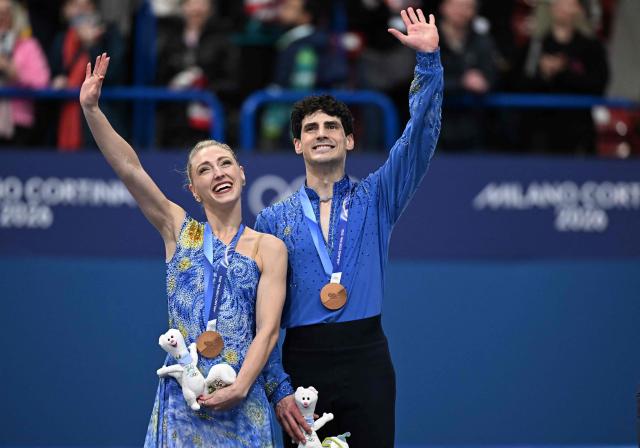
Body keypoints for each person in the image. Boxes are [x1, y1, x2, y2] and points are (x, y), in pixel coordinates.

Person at [79, 53, 291, 447]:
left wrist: (242, 387)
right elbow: (130, 168)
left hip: (243, 401)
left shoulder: (269, 247)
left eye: (225, 163)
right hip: (183, 402)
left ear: (242, 173)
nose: (219, 173)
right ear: (193, 190)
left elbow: (269, 330)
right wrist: (92, 110)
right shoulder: (179, 230)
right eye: (205, 170)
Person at [256, 7, 442, 447]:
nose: (322, 133)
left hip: (366, 358)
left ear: (350, 139)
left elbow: (419, 138)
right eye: (311, 128)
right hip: (302, 360)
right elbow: (256, 318)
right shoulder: (272, 220)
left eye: (333, 127)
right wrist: (278, 386)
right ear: (297, 143)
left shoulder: (376, 196)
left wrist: (429, 63)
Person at [516, 0, 608, 154]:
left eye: (568, 4)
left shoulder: (591, 47)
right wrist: (544, 73)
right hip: (540, 131)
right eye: (558, 3)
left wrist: (564, 72)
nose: (562, 8)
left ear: (577, 9)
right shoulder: (536, 45)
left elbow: (599, 85)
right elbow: (518, 84)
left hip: (578, 131)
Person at [155, 0, 240, 148]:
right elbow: (159, 77)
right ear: (183, 7)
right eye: (191, 3)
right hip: (175, 121)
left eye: (202, 3)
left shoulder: (222, 39)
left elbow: (233, 81)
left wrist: (203, 87)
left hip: (210, 121)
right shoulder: (170, 39)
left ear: (211, 8)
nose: (196, 8)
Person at [50, 0, 125, 151]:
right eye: (76, 6)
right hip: (65, 117)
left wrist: (91, 45)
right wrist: (59, 79)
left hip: (101, 116)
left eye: (85, 6)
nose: (81, 12)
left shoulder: (109, 34)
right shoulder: (62, 38)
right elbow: (56, 70)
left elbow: (114, 72)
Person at [437, 0, 497, 150]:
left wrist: (485, 82)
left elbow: (492, 77)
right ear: (443, 6)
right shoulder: (427, 41)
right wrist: (460, 82)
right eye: (457, 5)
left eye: (468, 6)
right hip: (433, 126)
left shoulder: (483, 41)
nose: (462, 11)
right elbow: (417, 81)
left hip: (474, 126)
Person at [0, 0, 50, 146]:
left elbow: (42, 80)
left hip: (19, 123)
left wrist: (16, 74)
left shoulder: (28, 45)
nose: (1, 17)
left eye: (6, 13)